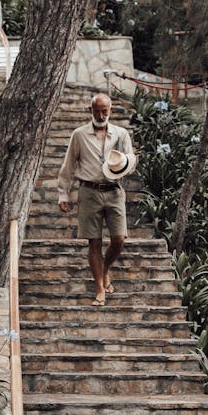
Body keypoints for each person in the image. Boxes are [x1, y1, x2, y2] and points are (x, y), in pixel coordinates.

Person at [57, 92, 137, 306]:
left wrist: (122, 164)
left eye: (105, 111)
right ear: (89, 110)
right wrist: (63, 193)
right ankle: (99, 288)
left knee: (119, 239)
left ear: (111, 111)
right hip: (88, 191)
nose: (101, 115)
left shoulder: (121, 134)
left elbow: (131, 162)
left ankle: (105, 270)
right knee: (94, 242)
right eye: (97, 111)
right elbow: (69, 166)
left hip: (114, 190)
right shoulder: (79, 135)